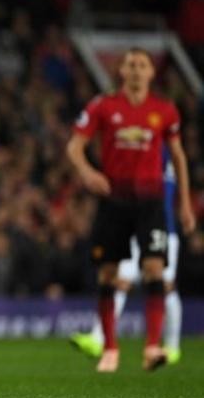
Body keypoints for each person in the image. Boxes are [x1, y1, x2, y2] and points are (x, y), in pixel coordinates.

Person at [67, 48, 195, 373]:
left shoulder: (164, 111)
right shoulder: (104, 106)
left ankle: (152, 347)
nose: (136, 70)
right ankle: (110, 348)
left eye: (142, 65)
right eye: (131, 65)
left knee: (155, 270)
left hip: (151, 202)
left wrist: (184, 202)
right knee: (108, 274)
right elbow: (74, 147)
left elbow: (178, 157)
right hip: (114, 200)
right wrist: (87, 172)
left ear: (152, 73)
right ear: (121, 71)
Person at [70, 146, 183, 364]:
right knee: (119, 280)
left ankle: (172, 346)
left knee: (166, 286)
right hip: (134, 226)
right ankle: (98, 337)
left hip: (162, 228)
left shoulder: (161, 154)